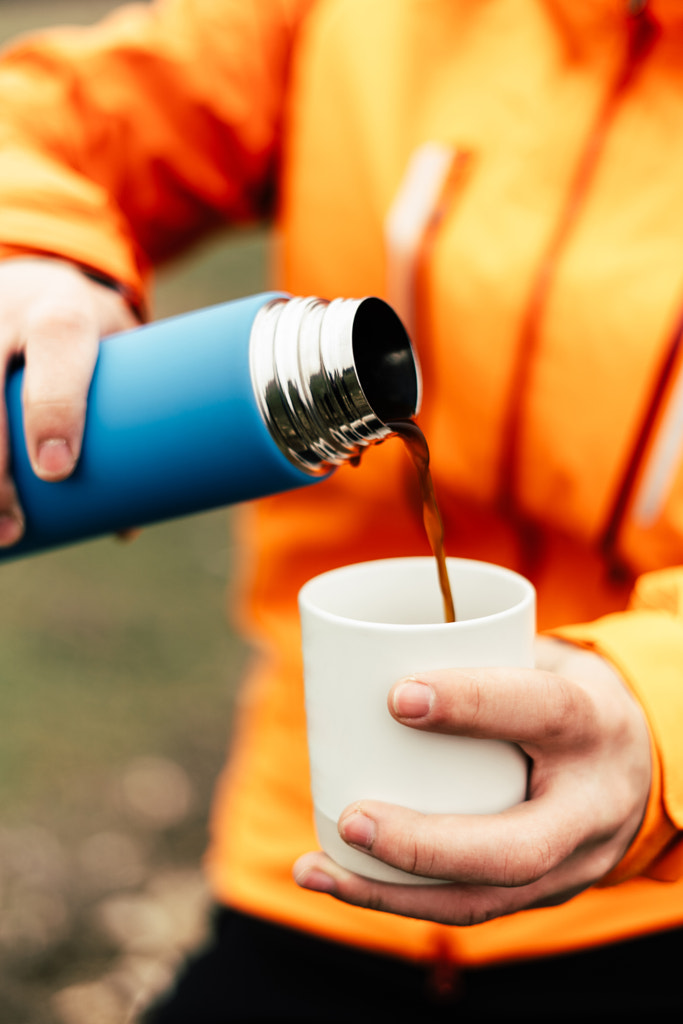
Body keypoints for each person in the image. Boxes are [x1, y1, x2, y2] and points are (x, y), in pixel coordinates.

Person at [1, 0, 683, 1017]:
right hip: (315, 837)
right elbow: (61, 114)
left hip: (651, 898)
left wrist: (658, 718)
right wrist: (34, 245)